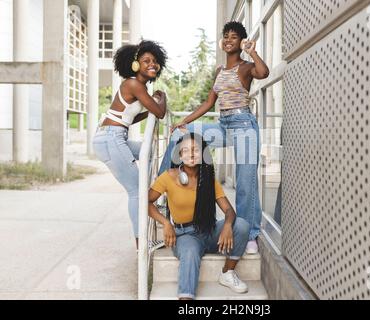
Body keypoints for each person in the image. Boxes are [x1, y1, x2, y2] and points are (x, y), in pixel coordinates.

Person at [159, 21, 270, 254]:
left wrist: (252, 51)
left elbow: (264, 73)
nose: (229, 40)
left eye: (234, 37)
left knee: (245, 182)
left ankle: (250, 234)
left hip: (244, 126)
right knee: (179, 138)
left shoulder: (246, 67)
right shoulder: (220, 71)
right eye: (225, 36)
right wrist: (186, 121)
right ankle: (164, 187)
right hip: (223, 124)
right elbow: (209, 103)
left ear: (240, 41)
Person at [148, 133, 250, 300]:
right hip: (185, 236)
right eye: (185, 151)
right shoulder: (168, 176)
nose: (191, 154)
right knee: (189, 252)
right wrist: (165, 223)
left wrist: (226, 226)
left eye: (195, 150)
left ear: (203, 154)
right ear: (180, 155)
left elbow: (229, 211)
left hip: (208, 232)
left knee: (242, 225)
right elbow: (147, 202)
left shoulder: (208, 179)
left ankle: (227, 272)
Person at [93, 40, 168, 249]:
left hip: (115, 136)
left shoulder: (138, 87)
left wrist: (149, 108)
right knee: (136, 191)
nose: (152, 64)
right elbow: (160, 112)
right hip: (111, 138)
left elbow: (128, 118)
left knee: (151, 152)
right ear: (135, 64)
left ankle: (153, 198)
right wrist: (160, 98)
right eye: (146, 61)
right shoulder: (133, 84)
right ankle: (142, 243)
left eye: (155, 61)